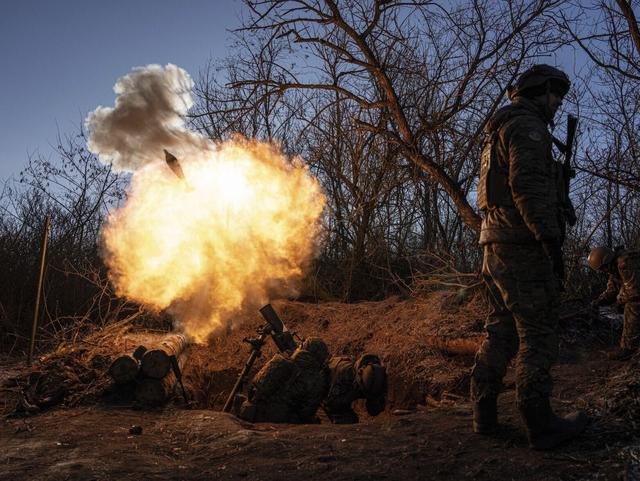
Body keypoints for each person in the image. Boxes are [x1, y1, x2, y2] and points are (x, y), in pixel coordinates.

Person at [472, 64, 588, 450]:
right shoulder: (528, 126)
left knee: (500, 330)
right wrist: (550, 241)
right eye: (555, 95)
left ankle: (483, 415)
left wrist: (561, 200)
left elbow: (514, 186)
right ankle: (539, 424)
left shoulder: (498, 131)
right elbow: (526, 186)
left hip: (493, 242)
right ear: (540, 91)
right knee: (538, 333)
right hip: (522, 245)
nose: (558, 104)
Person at [237, 337, 329, 423]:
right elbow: (306, 413)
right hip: (283, 423)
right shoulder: (317, 381)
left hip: (254, 415)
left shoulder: (280, 361)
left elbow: (254, 389)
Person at [588, 246, 640, 360]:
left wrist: (619, 300)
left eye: (602, 268)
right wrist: (597, 302)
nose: (603, 271)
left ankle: (629, 348)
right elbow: (611, 291)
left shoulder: (625, 263)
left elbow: (634, 292)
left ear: (607, 261)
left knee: (632, 306)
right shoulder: (614, 268)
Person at [322, 354, 387, 424]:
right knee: (346, 420)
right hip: (326, 387)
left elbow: (373, 410)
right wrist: (349, 397)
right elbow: (331, 403)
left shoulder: (376, 377)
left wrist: (377, 400)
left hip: (346, 390)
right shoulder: (345, 376)